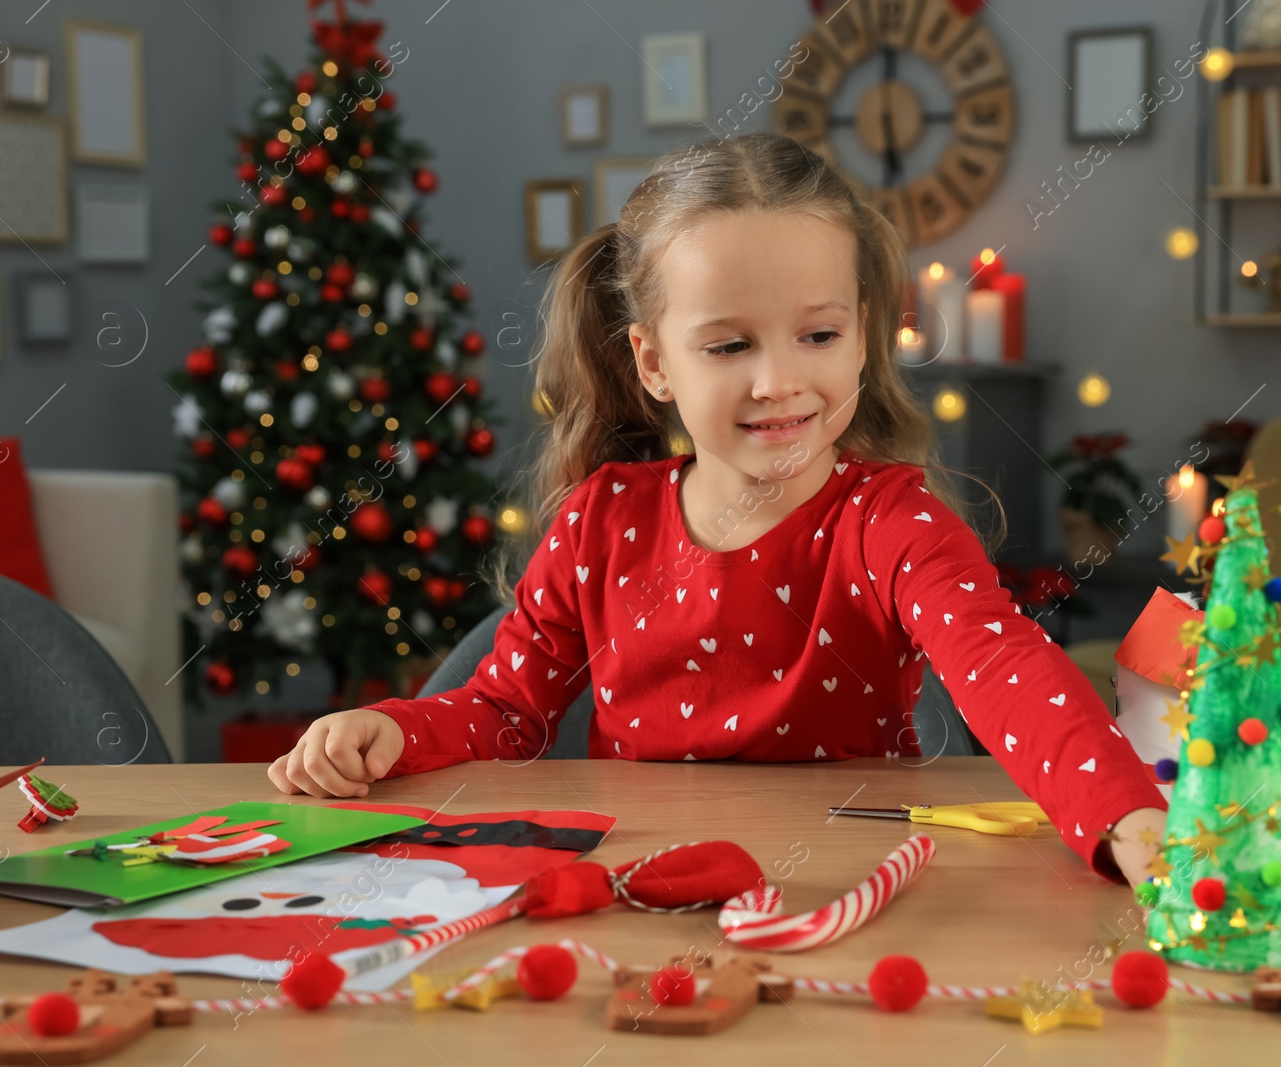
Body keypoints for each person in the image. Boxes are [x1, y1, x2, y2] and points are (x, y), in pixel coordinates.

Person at [269, 132, 1168, 887]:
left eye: (819, 335)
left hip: (849, 880)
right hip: (642, 881)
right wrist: (393, 727)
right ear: (655, 362)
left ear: (863, 332)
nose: (779, 380)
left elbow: (1003, 666)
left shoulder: (893, 522)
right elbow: (505, 712)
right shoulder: (600, 521)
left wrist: (1125, 813)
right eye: (730, 344)